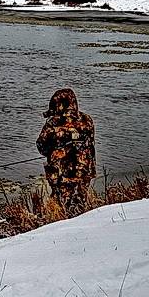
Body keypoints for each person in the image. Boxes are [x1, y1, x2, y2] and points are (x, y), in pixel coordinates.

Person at [36, 87, 96, 215]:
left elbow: (41, 145)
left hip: (61, 173)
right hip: (84, 170)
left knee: (61, 202)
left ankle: (60, 221)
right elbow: (90, 142)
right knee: (80, 200)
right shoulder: (87, 120)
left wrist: (53, 151)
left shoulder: (53, 122)